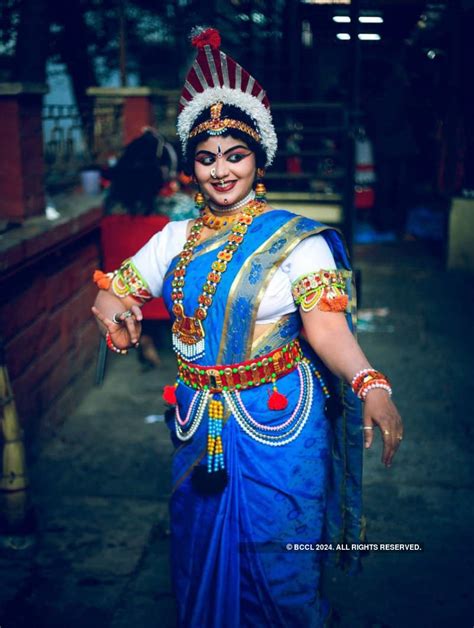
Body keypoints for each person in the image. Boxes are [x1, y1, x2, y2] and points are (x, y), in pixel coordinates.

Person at [91, 28, 403, 627]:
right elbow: (112, 296)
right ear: (192, 167)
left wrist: (370, 384)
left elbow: (327, 330)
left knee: (280, 569)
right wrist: (117, 321)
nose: (221, 170)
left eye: (235, 155)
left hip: (279, 425)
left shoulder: (295, 242)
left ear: (259, 157)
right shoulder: (175, 239)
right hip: (195, 422)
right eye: (206, 158)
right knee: (197, 557)